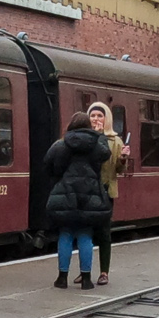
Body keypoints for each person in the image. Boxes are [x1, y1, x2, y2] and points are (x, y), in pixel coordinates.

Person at [43, 111, 111, 291]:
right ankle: (86, 279)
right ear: (88, 125)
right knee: (85, 236)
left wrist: (58, 179)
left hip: (65, 194)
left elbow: (47, 163)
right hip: (90, 196)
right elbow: (106, 154)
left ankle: (62, 278)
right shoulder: (96, 145)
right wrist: (100, 135)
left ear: (71, 125)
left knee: (65, 235)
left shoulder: (61, 144)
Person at [86, 101, 128, 285]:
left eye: (100, 116)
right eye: (92, 116)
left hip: (106, 190)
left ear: (106, 119)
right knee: (85, 233)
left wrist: (123, 159)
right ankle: (85, 271)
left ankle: (104, 272)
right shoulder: (83, 138)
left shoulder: (115, 141)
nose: (96, 119)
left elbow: (118, 170)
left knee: (104, 233)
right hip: (86, 191)